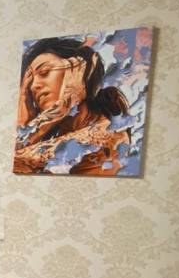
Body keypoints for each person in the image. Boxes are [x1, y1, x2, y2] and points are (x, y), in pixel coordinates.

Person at [14, 36, 131, 175]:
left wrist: (36, 127)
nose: (34, 86)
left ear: (82, 70)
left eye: (45, 72)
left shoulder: (106, 135)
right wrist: (26, 118)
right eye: (30, 81)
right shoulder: (65, 131)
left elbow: (16, 162)